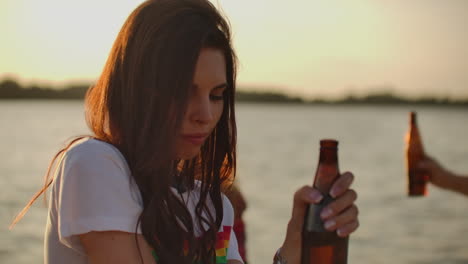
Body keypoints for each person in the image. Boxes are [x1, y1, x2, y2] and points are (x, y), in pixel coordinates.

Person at [10, 0, 359, 263]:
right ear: (138, 87)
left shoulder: (214, 206)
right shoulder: (95, 164)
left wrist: (294, 249)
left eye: (217, 95)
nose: (206, 115)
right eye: (182, 91)